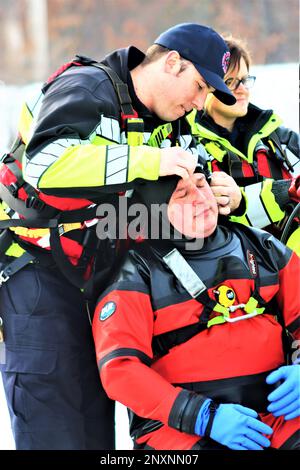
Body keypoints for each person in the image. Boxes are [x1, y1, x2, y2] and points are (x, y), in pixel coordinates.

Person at [0, 23, 238, 450]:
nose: (200, 103)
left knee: (97, 420)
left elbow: (184, 175)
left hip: (102, 273)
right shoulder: (88, 87)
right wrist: (150, 161)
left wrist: (224, 191)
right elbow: (43, 165)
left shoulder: (169, 120)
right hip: (37, 273)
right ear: (171, 63)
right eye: (200, 86)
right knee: (58, 424)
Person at [93, 169, 300, 451]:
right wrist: (204, 417)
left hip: (276, 413)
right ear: (157, 211)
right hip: (182, 428)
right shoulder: (137, 272)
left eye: (202, 185)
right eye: (183, 194)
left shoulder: (262, 247)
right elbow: (120, 370)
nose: (201, 199)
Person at [188, 36, 300, 253]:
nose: (242, 89)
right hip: (232, 273)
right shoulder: (187, 147)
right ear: (206, 87)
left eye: (245, 79)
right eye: (230, 82)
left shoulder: (280, 140)